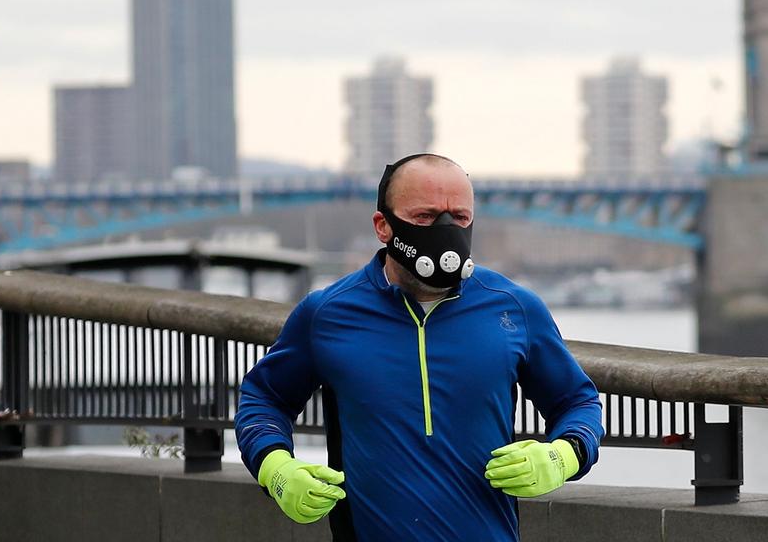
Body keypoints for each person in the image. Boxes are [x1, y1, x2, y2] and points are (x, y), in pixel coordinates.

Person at [235, 153, 603, 541]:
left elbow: (578, 402)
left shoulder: (514, 308)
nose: (445, 231)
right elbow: (264, 397)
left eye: (459, 218)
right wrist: (275, 467)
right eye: (424, 217)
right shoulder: (326, 314)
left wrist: (564, 454)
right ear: (383, 226)